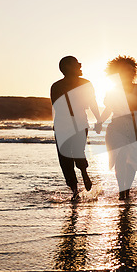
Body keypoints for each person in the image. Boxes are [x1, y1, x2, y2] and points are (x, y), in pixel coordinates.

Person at [96, 56, 137, 200]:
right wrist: (100, 121)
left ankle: (127, 189)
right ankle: (122, 190)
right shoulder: (113, 90)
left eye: (131, 70)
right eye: (124, 70)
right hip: (117, 127)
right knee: (120, 158)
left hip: (135, 127)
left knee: (132, 160)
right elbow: (108, 109)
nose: (129, 72)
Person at [51, 55, 101, 200]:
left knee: (77, 151)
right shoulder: (57, 86)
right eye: (77, 64)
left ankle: (84, 173)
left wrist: (98, 119)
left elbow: (92, 103)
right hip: (64, 125)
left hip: (77, 123)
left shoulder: (85, 83)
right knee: (65, 159)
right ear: (68, 68)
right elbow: (57, 106)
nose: (80, 65)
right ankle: (74, 190)